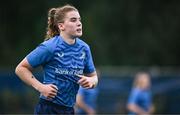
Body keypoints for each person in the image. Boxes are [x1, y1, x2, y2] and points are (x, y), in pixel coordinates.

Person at [15, 4, 98, 114]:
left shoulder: (84, 49)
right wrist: (41, 87)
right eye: (73, 20)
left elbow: (94, 77)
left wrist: (91, 81)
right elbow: (20, 69)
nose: (79, 23)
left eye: (79, 20)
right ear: (61, 26)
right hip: (48, 108)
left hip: (69, 110)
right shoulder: (50, 47)